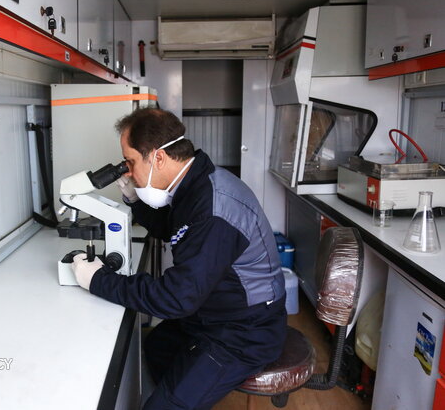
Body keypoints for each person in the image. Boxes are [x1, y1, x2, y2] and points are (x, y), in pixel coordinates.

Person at [72, 108, 287, 410]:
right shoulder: (198, 184)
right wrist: (135, 200)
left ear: (158, 157)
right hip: (212, 312)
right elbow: (175, 229)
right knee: (158, 347)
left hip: (244, 332)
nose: (129, 172)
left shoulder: (213, 210)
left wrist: (99, 281)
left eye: (131, 162)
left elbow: (176, 299)